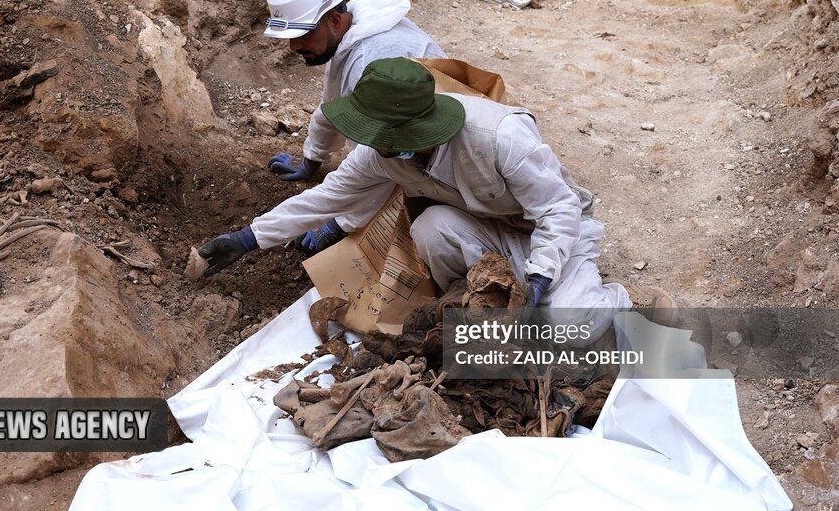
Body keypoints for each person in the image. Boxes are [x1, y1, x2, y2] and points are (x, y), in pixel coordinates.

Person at [200, 59, 669, 338]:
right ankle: (469, 296)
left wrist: (543, 274)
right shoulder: (382, 154)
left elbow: (559, 209)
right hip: (486, 230)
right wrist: (247, 239)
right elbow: (327, 198)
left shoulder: (499, 135)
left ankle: (629, 301)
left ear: (415, 130)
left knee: (572, 328)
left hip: (554, 230)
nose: (371, 143)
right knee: (430, 227)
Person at [262, 0, 446, 252]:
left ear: (334, 21)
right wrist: (312, 158)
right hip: (397, 142)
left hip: (436, 159)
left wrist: (340, 223)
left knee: (419, 230)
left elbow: (383, 158)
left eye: (301, 35)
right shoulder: (349, 32)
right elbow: (333, 106)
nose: (293, 47)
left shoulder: (372, 61)